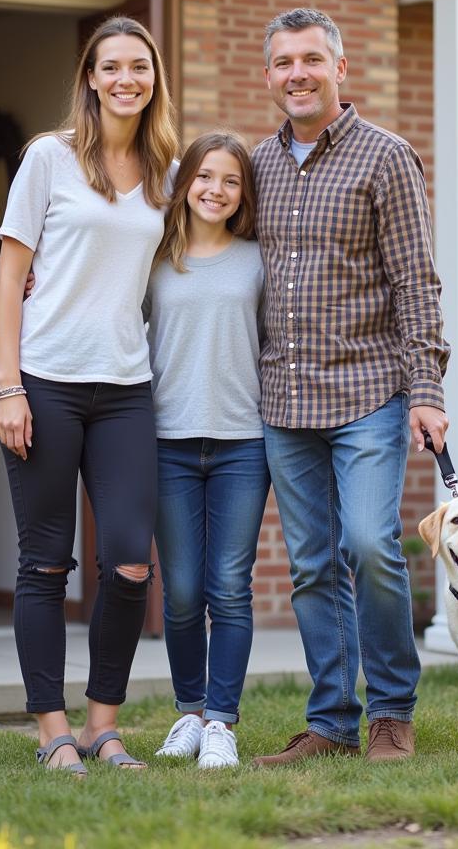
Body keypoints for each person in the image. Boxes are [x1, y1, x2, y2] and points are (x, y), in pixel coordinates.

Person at [250, 8, 450, 766]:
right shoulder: (256, 167)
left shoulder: (385, 156)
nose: (296, 73)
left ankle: (391, 714)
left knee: (369, 544)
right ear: (268, 76)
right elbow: (196, 246)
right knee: (310, 564)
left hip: (369, 392)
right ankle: (331, 721)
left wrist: (426, 388)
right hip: (284, 401)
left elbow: (415, 284)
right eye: (282, 62)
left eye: (310, 59)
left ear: (341, 67)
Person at [0, 15, 178, 775]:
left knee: (132, 561)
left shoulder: (167, 170)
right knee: (44, 563)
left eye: (140, 66)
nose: (127, 78)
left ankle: (104, 726)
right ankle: (51, 732)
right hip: (44, 381)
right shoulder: (49, 159)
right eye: (112, 67)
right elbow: (10, 277)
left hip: (127, 387)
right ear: (92, 79)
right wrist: (8, 386)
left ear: (153, 78)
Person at [146, 131, 269, 770]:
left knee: (229, 586)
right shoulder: (155, 257)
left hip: (243, 443)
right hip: (167, 442)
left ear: (243, 193)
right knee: (184, 589)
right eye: (205, 177)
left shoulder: (257, 260)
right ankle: (188, 714)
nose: (216, 190)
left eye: (230, 181)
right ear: (183, 181)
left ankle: (221, 720)